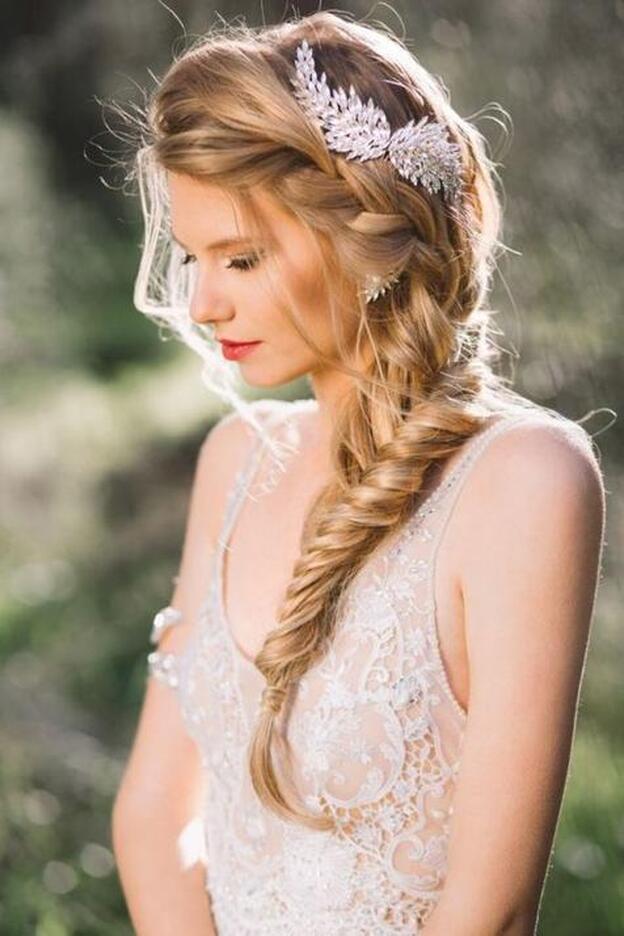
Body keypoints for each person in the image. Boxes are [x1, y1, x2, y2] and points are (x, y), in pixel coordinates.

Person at [110, 10, 607, 935]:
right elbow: (150, 818)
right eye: (193, 259)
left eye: (242, 258)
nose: (204, 302)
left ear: (361, 240)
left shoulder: (524, 481)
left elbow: (488, 911)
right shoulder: (236, 459)